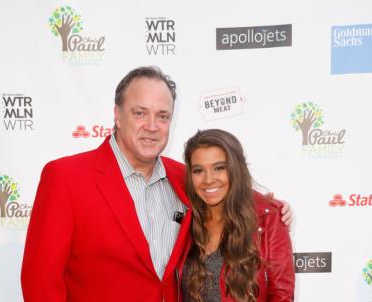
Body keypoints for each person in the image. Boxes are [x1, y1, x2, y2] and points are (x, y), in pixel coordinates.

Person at [21, 66, 293, 302]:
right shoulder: (65, 177)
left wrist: (275, 210)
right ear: (117, 115)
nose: (152, 126)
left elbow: (228, 190)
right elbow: (40, 282)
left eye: (163, 116)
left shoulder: (184, 177)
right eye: (140, 113)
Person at [180, 129, 295, 302]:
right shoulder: (184, 218)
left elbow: (282, 296)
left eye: (219, 168)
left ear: (236, 169)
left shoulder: (268, 218)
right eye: (198, 170)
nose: (208, 179)